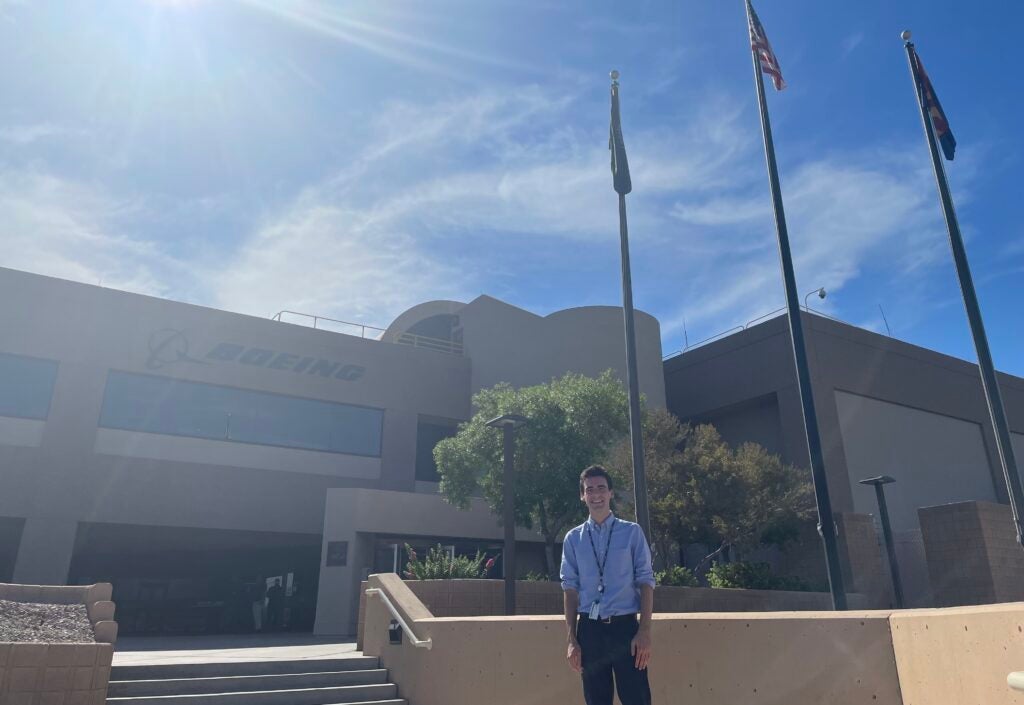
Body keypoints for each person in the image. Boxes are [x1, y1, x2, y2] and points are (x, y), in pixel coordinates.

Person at [560, 465, 655, 705]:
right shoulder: (573, 539)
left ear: (611, 493)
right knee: (596, 700)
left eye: (601, 488)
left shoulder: (632, 533)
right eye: (589, 489)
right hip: (590, 631)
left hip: (625, 630)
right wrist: (572, 640)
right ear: (582, 496)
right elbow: (569, 589)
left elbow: (646, 582)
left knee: (637, 699)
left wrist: (644, 632)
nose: (596, 494)